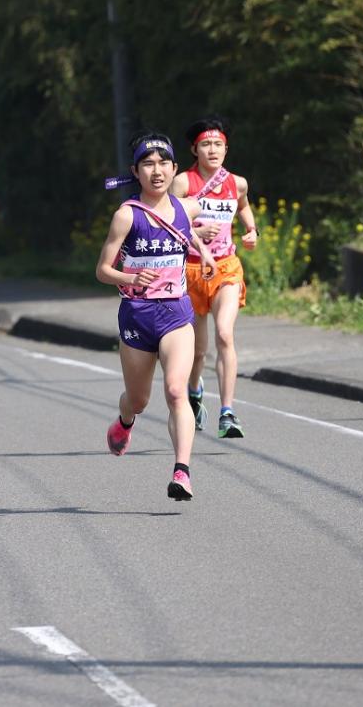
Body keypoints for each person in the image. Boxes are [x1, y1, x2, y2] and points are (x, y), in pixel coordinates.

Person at [96, 133, 217, 501]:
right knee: (139, 399)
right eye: (148, 164)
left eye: (164, 163)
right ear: (136, 171)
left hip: (176, 313)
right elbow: (102, 269)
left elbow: (184, 230)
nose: (157, 171)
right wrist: (129, 277)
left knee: (177, 390)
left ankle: (182, 472)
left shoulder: (187, 207)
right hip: (137, 316)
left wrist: (204, 249)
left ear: (175, 169)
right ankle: (125, 421)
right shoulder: (126, 215)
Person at [171, 116, 258, 439]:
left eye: (218, 144)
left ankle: (227, 412)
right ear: (195, 149)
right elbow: (170, 220)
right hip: (190, 270)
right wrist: (194, 229)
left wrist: (252, 231)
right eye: (206, 144)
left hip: (226, 267)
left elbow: (245, 207)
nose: (212, 150)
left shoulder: (237, 183)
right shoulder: (183, 183)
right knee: (197, 351)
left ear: (226, 148)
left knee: (225, 334)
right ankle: (195, 391)